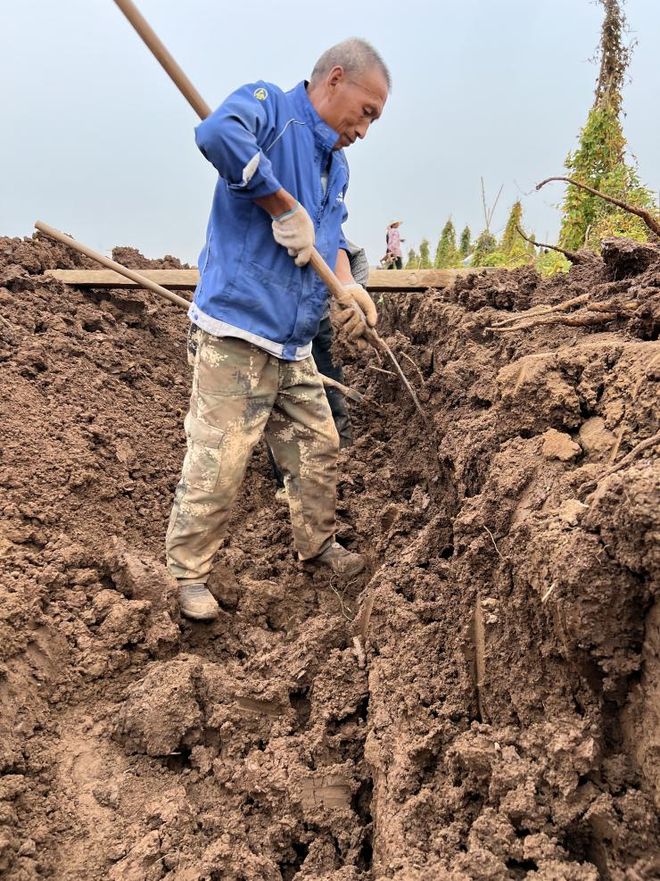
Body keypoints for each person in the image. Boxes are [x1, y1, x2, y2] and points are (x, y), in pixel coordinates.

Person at [165, 40, 390, 621]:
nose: (365, 129)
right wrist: (278, 200)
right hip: (236, 331)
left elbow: (332, 237)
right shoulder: (269, 108)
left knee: (319, 445)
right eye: (365, 111)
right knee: (220, 461)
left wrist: (347, 288)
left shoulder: (336, 165)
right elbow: (217, 133)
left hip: (291, 344)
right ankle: (188, 577)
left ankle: (315, 546)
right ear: (334, 79)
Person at [269, 240, 369, 501]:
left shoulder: (328, 222)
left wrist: (347, 288)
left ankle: (343, 472)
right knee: (281, 403)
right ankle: (288, 483)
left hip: (319, 319)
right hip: (276, 323)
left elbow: (348, 250)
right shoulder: (269, 229)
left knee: (332, 395)